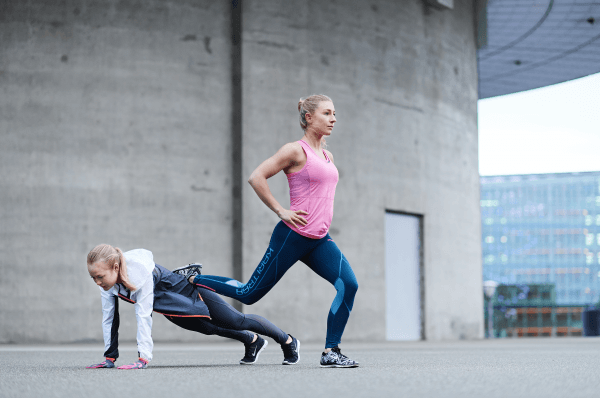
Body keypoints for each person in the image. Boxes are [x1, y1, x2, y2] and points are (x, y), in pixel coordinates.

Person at [189, 94, 359, 368]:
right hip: (292, 236)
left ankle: (331, 351)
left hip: (319, 239)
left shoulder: (327, 155)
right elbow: (256, 177)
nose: (333, 119)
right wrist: (281, 210)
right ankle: (196, 279)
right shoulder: (295, 150)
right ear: (308, 117)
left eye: (334, 113)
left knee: (349, 285)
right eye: (327, 113)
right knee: (248, 294)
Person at [85, 244, 299, 369]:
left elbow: (143, 314)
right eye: (93, 277)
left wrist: (143, 358)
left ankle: (288, 340)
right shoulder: (108, 284)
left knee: (235, 320)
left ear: (115, 267)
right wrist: (109, 358)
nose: (97, 282)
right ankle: (252, 340)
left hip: (191, 291)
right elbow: (110, 318)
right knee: (208, 328)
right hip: (171, 305)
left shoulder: (138, 272)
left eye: (100, 276)